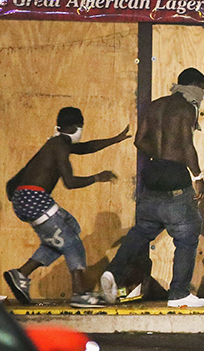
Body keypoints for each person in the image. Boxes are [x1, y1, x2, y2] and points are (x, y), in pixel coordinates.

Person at [100, 68, 204, 308]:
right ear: (195, 85)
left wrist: (159, 154)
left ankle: (113, 273)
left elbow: (139, 141)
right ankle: (179, 292)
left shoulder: (155, 105)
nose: (202, 94)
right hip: (174, 175)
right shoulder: (186, 108)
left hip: (152, 172)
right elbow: (187, 144)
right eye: (203, 88)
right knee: (188, 232)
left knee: (142, 230)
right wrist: (198, 176)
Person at [4, 107, 128, 308]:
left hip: (27, 198)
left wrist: (116, 139)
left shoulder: (58, 142)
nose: (81, 131)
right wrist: (97, 177)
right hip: (34, 198)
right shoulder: (59, 145)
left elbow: (87, 147)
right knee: (72, 243)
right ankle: (81, 294)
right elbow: (69, 182)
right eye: (81, 127)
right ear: (75, 127)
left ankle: (21, 273)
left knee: (68, 230)